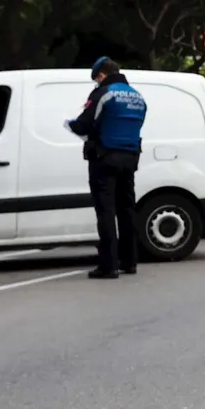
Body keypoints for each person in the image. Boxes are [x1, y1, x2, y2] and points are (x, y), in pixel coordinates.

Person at [66, 57, 148, 279]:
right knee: (127, 209)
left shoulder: (104, 93)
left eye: (97, 79)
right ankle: (130, 261)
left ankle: (108, 265)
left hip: (105, 158)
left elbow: (84, 122)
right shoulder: (138, 97)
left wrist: (69, 124)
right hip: (130, 159)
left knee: (106, 211)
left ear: (101, 75)